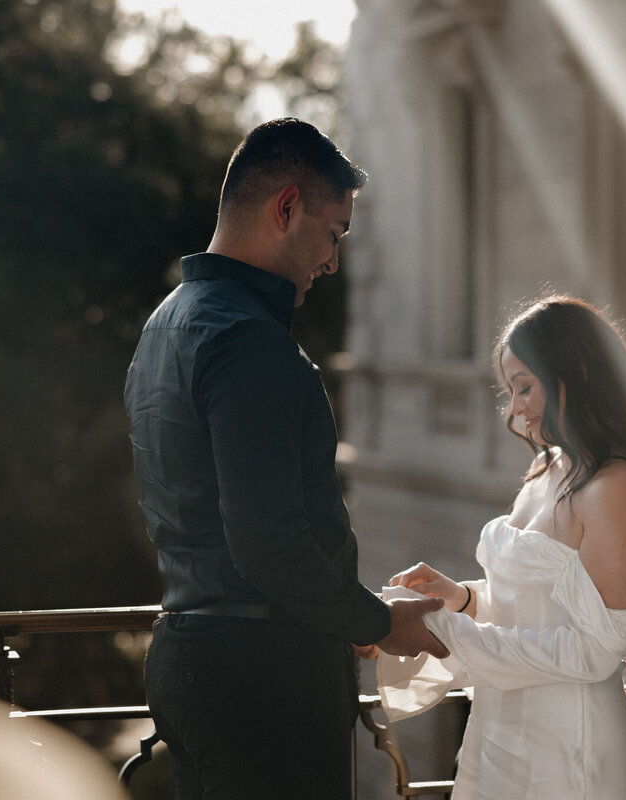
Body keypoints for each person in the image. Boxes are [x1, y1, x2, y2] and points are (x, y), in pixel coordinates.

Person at [123, 118, 447, 800]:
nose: (333, 262)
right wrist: (379, 622)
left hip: (192, 659)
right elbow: (269, 545)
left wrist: (347, 612)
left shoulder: (165, 322)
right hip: (263, 678)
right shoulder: (248, 341)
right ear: (287, 208)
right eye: (333, 234)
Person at [376, 295, 626, 800]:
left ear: (577, 372)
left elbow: (593, 649)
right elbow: (545, 600)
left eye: (524, 387)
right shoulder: (549, 467)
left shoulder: (619, 489)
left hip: (570, 744)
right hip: (499, 730)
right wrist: (461, 599)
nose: (515, 408)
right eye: (510, 390)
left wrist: (443, 630)